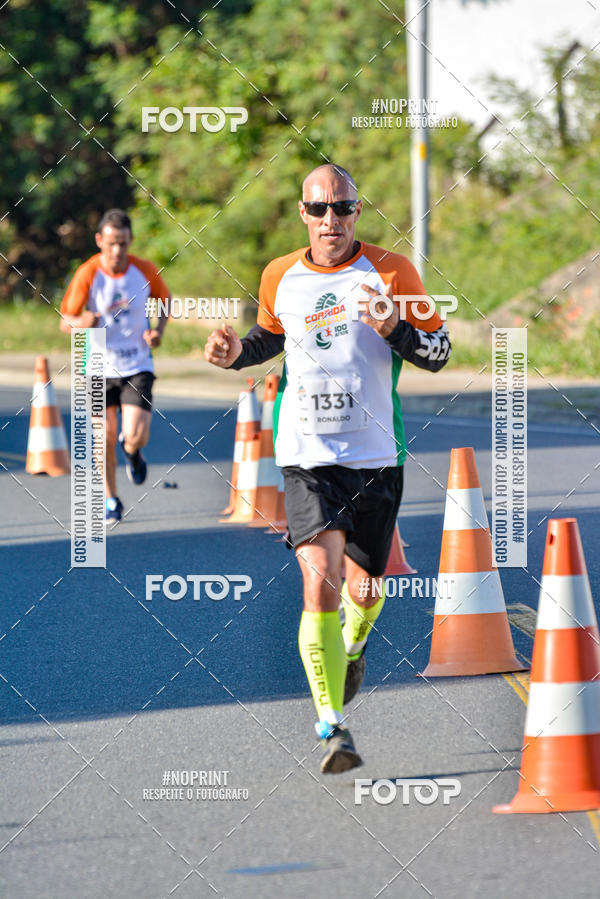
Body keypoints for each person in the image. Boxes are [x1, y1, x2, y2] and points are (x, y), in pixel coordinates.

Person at [205, 164, 451, 773]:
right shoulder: (279, 275)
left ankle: (355, 644)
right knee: (320, 580)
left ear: (358, 211)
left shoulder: (394, 272)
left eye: (342, 208)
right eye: (319, 210)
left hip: (374, 456)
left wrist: (394, 327)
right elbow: (269, 338)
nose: (330, 221)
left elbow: (440, 353)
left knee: (365, 592)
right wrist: (237, 353)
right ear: (302, 213)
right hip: (305, 456)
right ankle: (331, 727)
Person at [60, 209, 171, 521]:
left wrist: (157, 332)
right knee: (102, 436)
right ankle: (111, 498)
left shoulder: (144, 269)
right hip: (96, 365)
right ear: (99, 241)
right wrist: (85, 321)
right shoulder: (88, 273)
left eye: (123, 243)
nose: (117, 250)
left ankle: (132, 451)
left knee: (135, 433)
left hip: (136, 364)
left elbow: (165, 300)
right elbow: (65, 321)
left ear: (130, 241)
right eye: (111, 243)